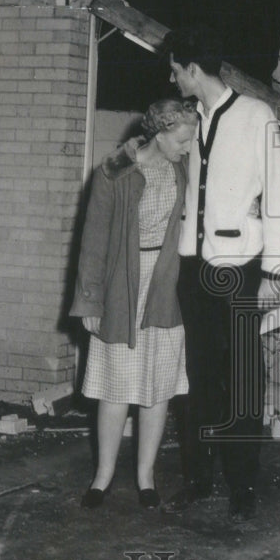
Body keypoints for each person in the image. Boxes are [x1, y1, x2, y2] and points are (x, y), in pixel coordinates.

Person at [159, 27, 280, 522]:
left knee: (241, 381)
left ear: (194, 69)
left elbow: (278, 197)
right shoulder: (190, 119)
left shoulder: (257, 115)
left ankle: (243, 486)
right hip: (193, 268)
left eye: (175, 69)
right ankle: (197, 479)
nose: (171, 78)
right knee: (197, 379)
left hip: (239, 269)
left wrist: (273, 272)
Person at [71, 98, 199, 509]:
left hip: (164, 287)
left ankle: (146, 477)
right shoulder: (114, 172)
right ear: (159, 132)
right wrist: (90, 303)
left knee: (157, 387)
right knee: (115, 387)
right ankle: (102, 477)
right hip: (120, 287)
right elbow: (92, 244)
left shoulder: (182, 168)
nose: (188, 145)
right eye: (182, 138)